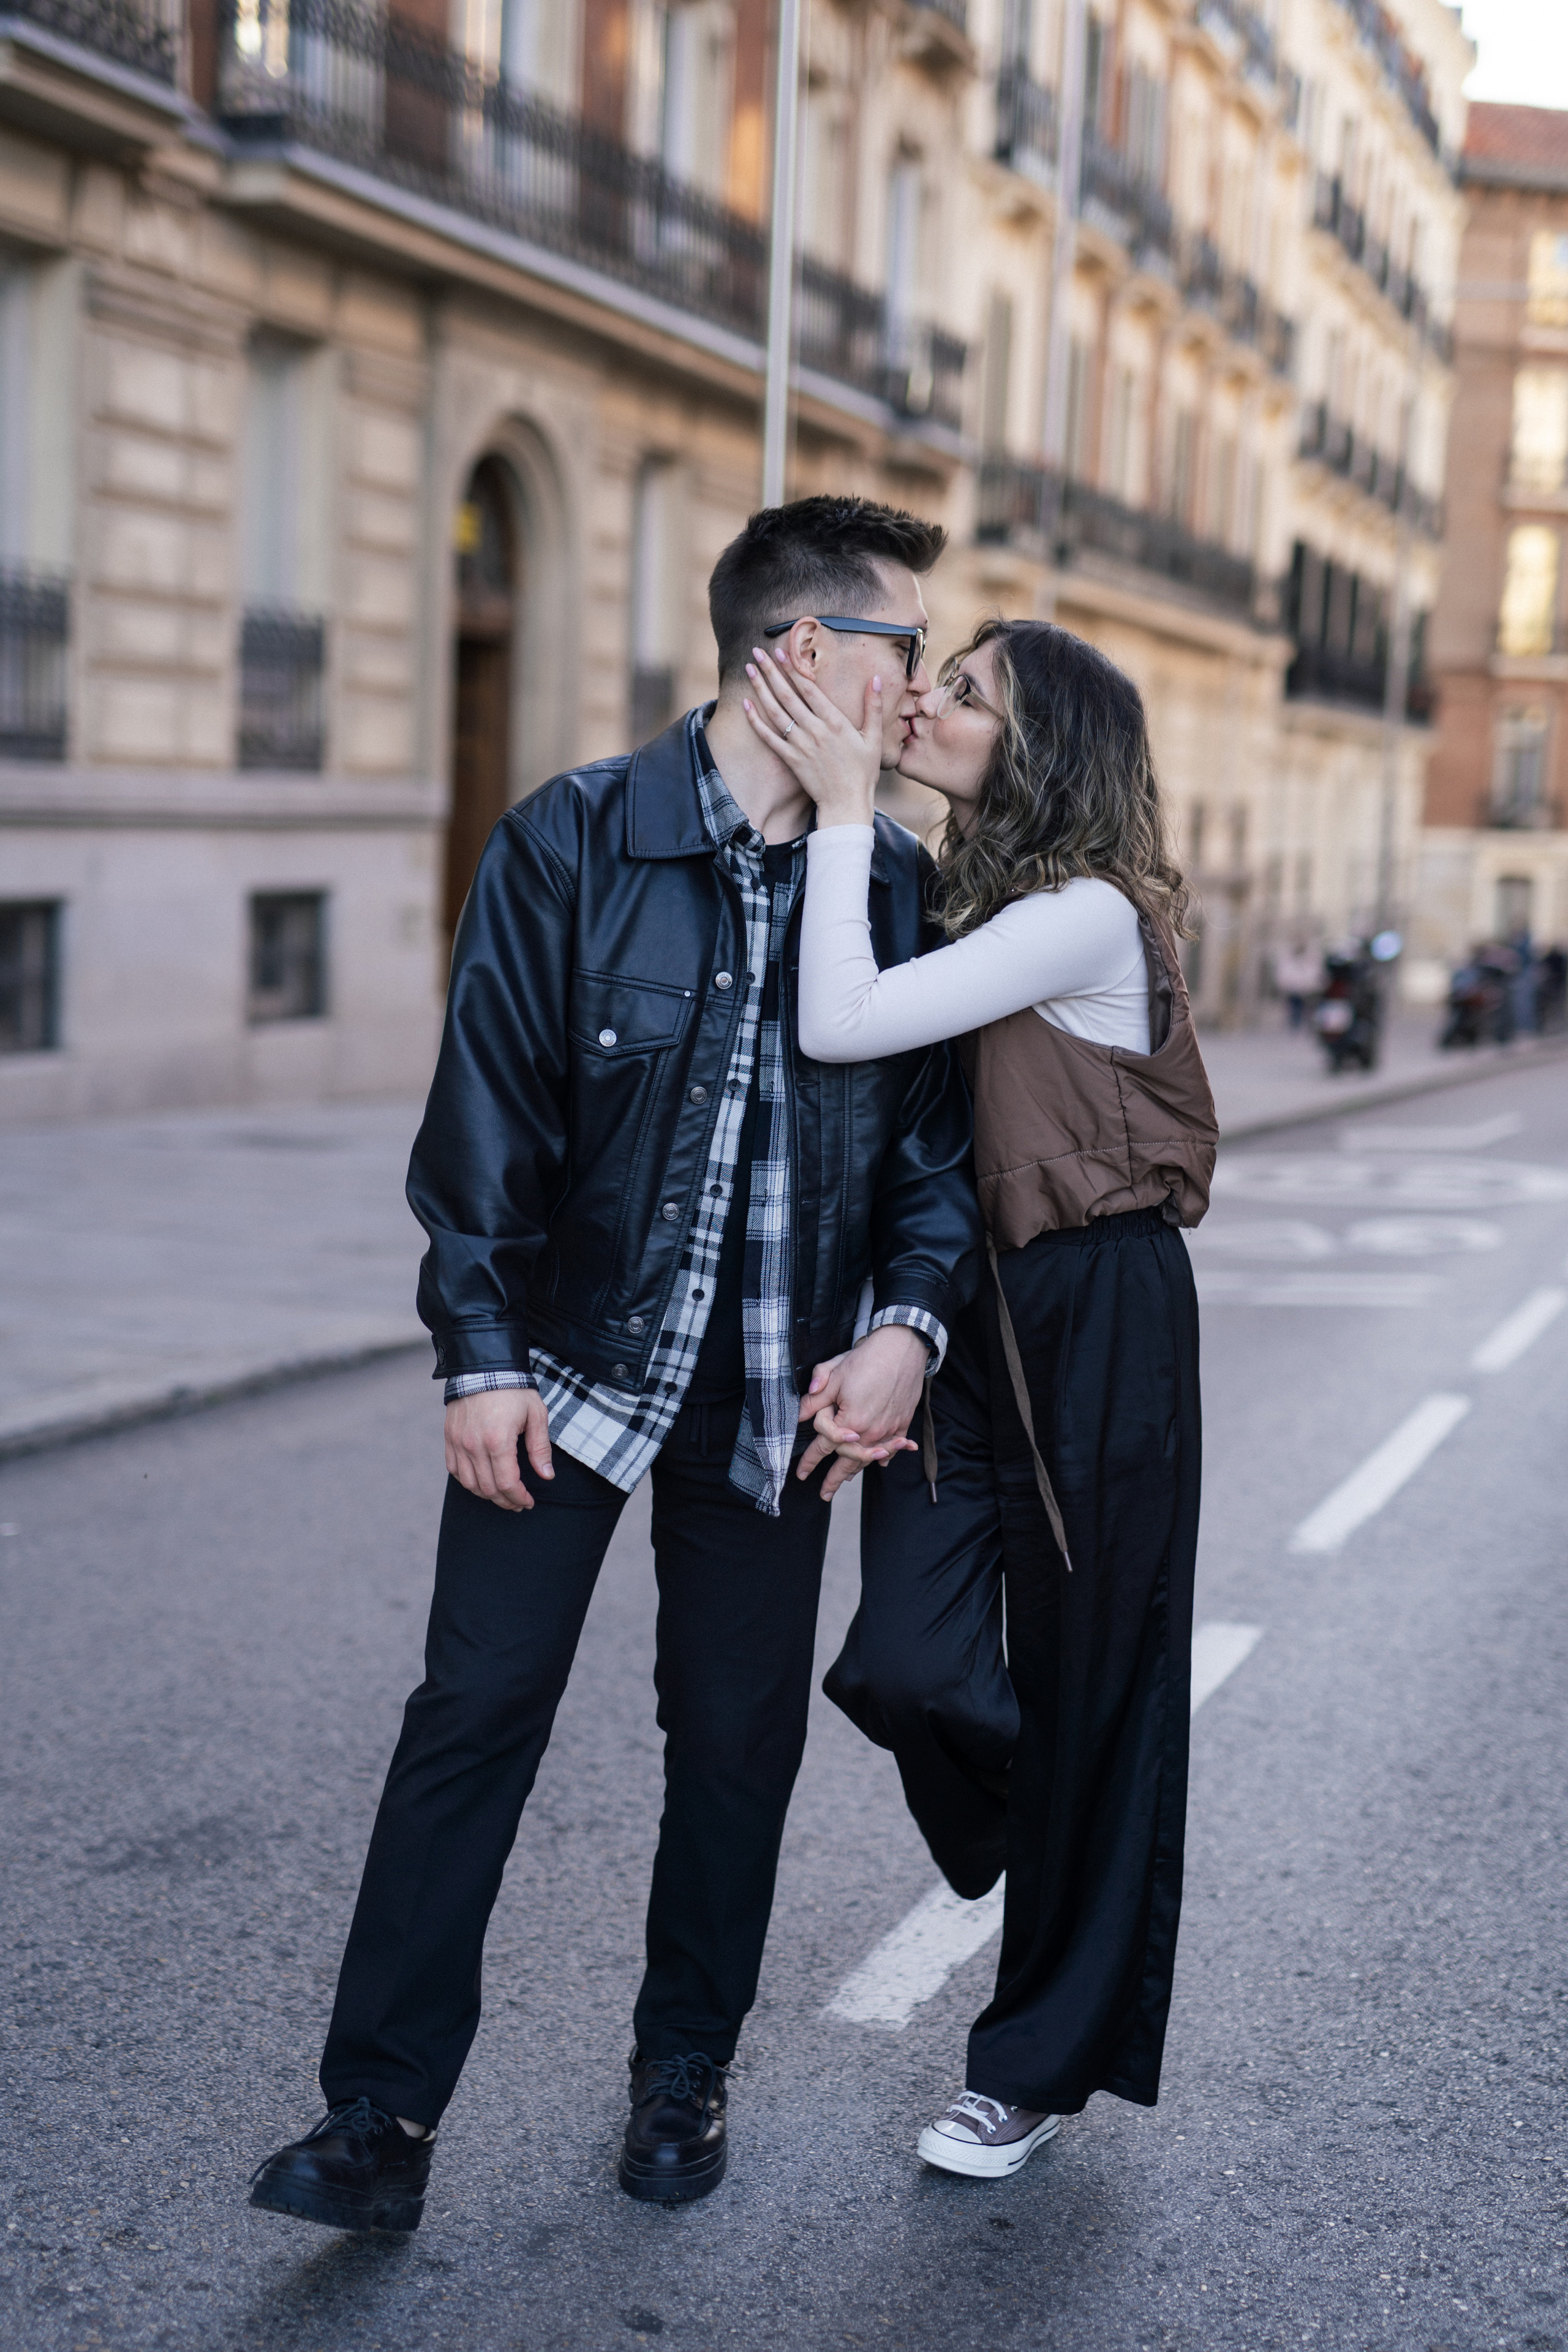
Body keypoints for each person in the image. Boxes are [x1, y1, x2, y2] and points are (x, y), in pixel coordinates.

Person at [247, 496, 982, 2230]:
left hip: (779, 1396)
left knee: (734, 1742)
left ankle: (682, 2069)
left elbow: (933, 1160)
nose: (921, 686)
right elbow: (484, 1121)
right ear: (803, 650)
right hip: (570, 1369)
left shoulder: (893, 881)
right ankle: (378, 2118)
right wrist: (478, 1354)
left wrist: (908, 1325)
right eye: (907, 650)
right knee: (473, 1715)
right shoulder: (570, 839)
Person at [743, 617, 1217, 2181]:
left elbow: (838, 1019)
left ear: (1041, 751)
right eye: (938, 678)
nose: (927, 704)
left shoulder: (1083, 914)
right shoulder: (981, 896)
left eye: (965, 696)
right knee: (908, 1662)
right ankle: (1077, 1827)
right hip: (968, 1313)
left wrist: (835, 807)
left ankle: (1024, 2071)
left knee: (1092, 1675)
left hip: (1098, 1310)